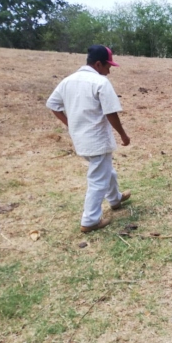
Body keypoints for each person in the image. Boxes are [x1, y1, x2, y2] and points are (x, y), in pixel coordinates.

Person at [46, 45, 131, 233]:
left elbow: (52, 104)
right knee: (98, 180)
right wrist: (123, 135)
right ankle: (90, 220)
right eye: (108, 66)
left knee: (106, 171)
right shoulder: (99, 82)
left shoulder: (68, 81)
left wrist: (69, 123)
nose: (109, 71)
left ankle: (115, 199)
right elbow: (111, 113)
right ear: (98, 64)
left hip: (81, 139)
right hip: (97, 140)